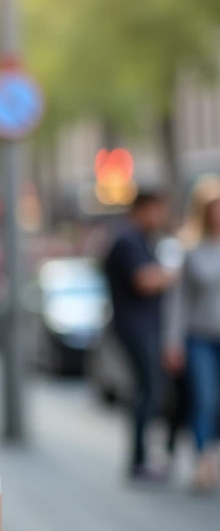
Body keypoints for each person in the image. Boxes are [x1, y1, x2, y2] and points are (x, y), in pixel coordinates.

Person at [103, 190, 174, 481]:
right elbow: (144, 281)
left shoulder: (138, 240)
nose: (161, 217)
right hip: (136, 327)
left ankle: (142, 457)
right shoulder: (129, 240)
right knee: (148, 390)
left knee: (148, 390)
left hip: (140, 326)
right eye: (157, 210)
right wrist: (173, 274)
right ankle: (139, 459)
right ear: (143, 209)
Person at [164, 180, 220, 490]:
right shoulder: (191, 249)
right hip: (200, 338)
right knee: (204, 399)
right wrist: (172, 343)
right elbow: (179, 303)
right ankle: (204, 460)